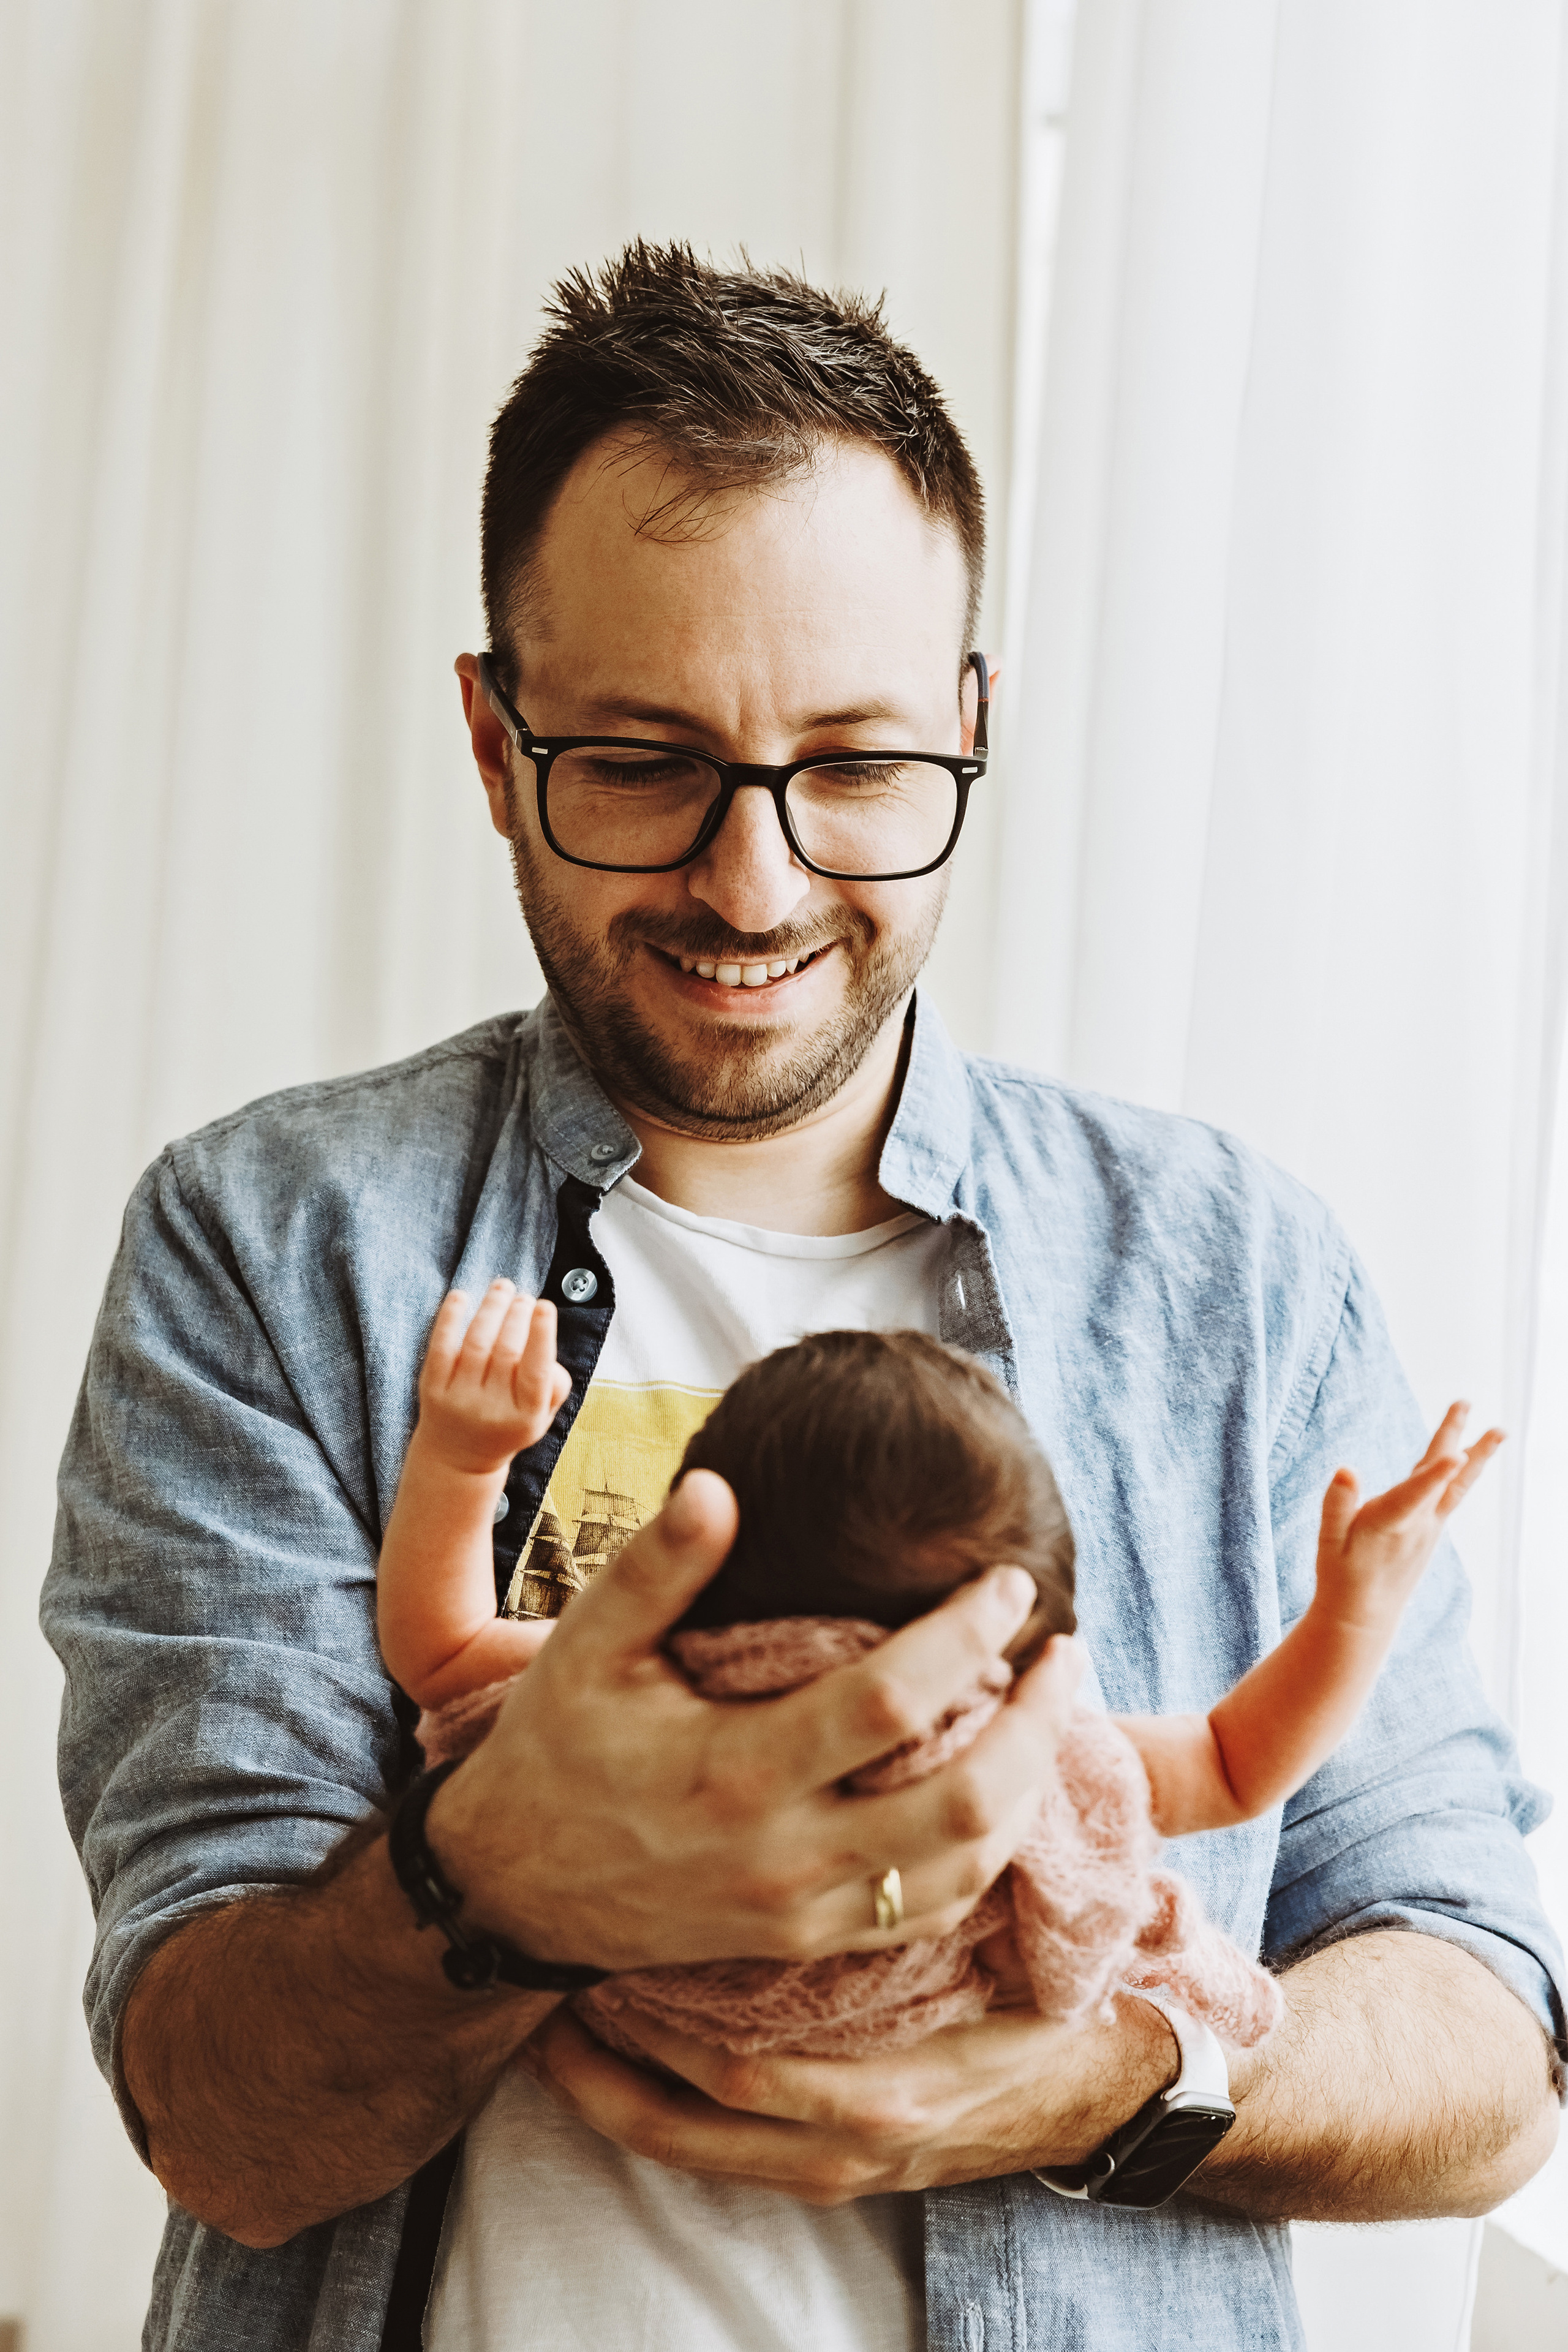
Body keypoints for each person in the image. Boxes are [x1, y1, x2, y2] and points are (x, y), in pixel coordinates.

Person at [43, 243, 1563, 2352]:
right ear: (495, 742)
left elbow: (1488, 2049)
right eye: (643, 763)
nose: (752, 887)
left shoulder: (1234, 1271)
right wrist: (497, 1885)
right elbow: (223, 2116)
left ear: (969, 728)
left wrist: (1111, 2079)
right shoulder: (273, 1240)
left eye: (853, 765)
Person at [381, 1311, 1501, 2066]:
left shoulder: (637, 1695)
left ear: (694, 1552)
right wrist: (1354, 1612)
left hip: (631, 2039)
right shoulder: (1006, 1742)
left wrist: (466, 1457)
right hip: (941, 2051)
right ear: (1014, 1628)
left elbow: (437, 1650)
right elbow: (1232, 1764)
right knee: (1165, 1950)